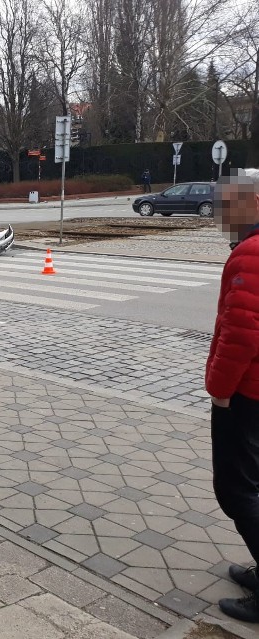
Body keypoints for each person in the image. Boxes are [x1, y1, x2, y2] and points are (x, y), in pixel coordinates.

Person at [206, 167, 259, 623]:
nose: (224, 215)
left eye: (231, 205)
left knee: (237, 490)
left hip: (246, 395)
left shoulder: (250, 255)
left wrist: (220, 392)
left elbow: (240, 334)